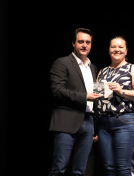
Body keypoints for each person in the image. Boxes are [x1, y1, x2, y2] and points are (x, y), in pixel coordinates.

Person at [48, 28, 100, 176]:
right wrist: (85, 97)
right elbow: (57, 90)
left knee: (80, 171)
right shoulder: (62, 62)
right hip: (66, 121)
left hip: (88, 122)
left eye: (88, 42)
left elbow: (95, 98)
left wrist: (95, 128)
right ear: (73, 43)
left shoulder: (93, 67)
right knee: (59, 168)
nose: (84, 45)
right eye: (81, 42)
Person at [96, 36, 134, 176]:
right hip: (103, 124)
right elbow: (97, 100)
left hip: (124, 121)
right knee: (108, 168)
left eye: (120, 47)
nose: (117, 49)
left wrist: (121, 91)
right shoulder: (102, 72)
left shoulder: (132, 68)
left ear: (126, 51)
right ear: (109, 50)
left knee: (122, 168)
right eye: (113, 47)